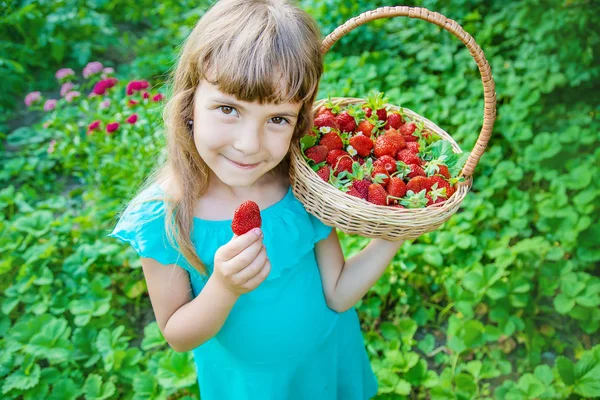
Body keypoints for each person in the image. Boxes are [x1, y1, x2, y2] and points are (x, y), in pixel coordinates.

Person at [108, 0, 404, 398]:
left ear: (299, 119)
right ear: (189, 104)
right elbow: (178, 335)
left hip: (327, 360)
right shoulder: (164, 217)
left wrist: (395, 231)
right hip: (255, 387)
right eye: (229, 109)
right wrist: (224, 288)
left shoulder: (300, 186)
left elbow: (337, 293)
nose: (249, 145)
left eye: (277, 119)